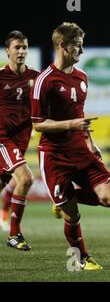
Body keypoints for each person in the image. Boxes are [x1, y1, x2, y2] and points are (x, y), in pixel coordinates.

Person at [31, 22, 110, 270]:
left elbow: (80, 115)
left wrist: (91, 141)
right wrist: (70, 124)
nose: (82, 52)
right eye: (78, 46)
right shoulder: (44, 80)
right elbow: (38, 125)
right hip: (55, 155)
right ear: (63, 46)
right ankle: (83, 259)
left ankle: (62, 200)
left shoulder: (82, 78)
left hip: (80, 151)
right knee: (72, 216)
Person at [0, 31, 39, 249]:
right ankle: (15, 234)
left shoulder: (35, 77)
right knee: (25, 178)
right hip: (2, 138)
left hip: (20, 141)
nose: (22, 51)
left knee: (4, 183)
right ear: (8, 51)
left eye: (24, 47)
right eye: (17, 47)